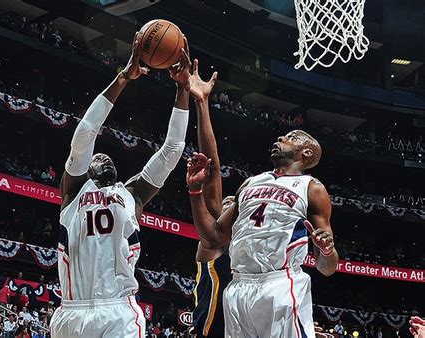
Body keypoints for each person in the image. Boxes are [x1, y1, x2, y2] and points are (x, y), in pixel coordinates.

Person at [49, 32, 192, 338]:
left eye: (110, 158)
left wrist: (183, 89)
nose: (106, 159)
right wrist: (124, 76)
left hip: (118, 311)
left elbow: (172, 150)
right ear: (86, 169)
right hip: (72, 311)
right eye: (99, 157)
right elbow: (86, 131)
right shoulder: (73, 192)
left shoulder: (133, 195)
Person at [187, 130, 338, 337]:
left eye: (291, 138)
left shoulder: (311, 188)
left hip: (280, 284)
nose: (280, 139)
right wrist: (195, 191)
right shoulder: (251, 182)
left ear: (307, 153)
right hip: (239, 286)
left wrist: (327, 251)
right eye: (283, 137)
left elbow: (327, 269)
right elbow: (214, 238)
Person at [185, 60, 232, 337]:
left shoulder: (250, 256)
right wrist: (201, 104)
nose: (227, 206)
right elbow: (212, 169)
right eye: (227, 204)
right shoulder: (216, 244)